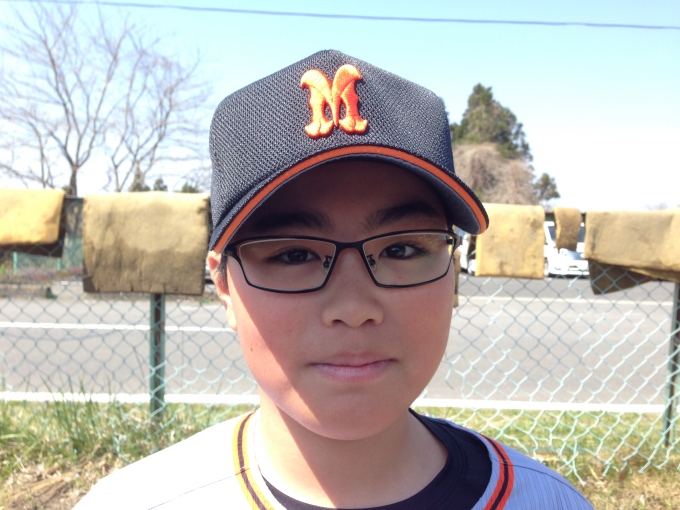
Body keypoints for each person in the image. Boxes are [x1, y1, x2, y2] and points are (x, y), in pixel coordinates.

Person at [75, 50, 592, 509]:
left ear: (451, 274)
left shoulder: (549, 502)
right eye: (294, 253)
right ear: (225, 287)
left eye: (402, 249)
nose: (353, 307)